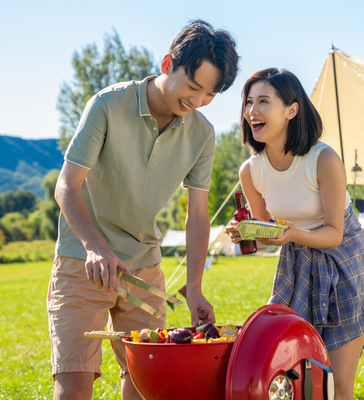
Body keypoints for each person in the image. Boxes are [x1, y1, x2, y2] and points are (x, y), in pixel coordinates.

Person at [48, 20, 239, 399]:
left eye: (209, 95)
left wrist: (196, 288)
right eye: (192, 87)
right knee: (75, 381)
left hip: (144, 266)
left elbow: (198, 215)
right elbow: (67, 185)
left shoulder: (202, 135)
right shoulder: (108, 104)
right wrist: (94, 246)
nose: (197, 101)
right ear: (168, 63)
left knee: (146, 382)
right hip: (82, 259)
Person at [225, 68, 364, 400]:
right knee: (300, 379)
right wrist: (247, 234)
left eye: (264, 102)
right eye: (249, 102)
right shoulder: (251, 170)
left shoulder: (323, 158)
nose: (252, 111)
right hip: (297, 263)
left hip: (343, 261)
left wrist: (290, 234)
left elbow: (334, 234)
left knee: (337, 384)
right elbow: (268, 233)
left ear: (291, 110)